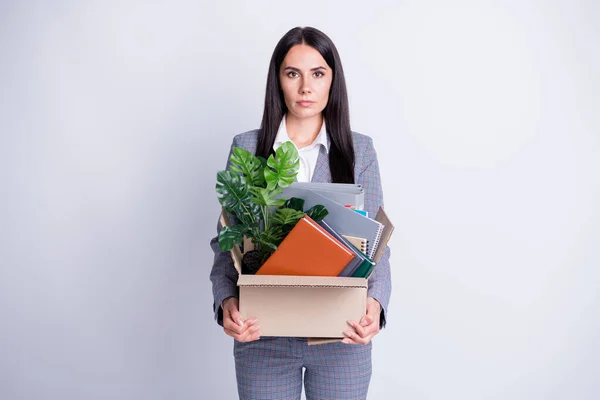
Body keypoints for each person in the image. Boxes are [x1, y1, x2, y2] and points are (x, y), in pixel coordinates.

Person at [209, 26, 392, 400]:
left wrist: (375, 305)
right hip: (263, 335)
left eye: (318, 74)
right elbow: (226, 240)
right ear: (278, 80)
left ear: (332, 81)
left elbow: (376, 246)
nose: (306, 87)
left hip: (342, 335)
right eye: (293, 73)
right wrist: (227, 302)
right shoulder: (246, 147)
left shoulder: (361, 151)